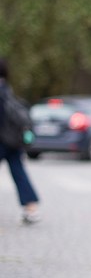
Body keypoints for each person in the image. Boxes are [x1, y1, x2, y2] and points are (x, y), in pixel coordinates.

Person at [0, 58, 41, 224]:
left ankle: (31, 208)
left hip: (2, 140)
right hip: (14, 141)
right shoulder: (6, 88)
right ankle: (31, 208)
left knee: (19, 172)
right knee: (19, 173)